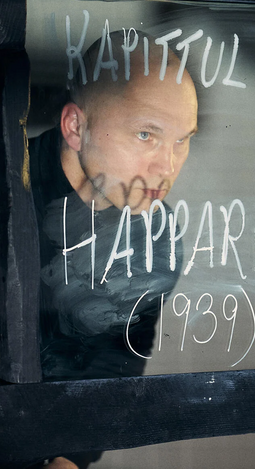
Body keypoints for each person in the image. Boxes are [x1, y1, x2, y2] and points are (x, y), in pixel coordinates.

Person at [25, 34, 197, 467]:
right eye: (146, 135)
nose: (168, 166)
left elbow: (118, 358)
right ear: (75, 128)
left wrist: (71, 457)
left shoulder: (158, 232)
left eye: (183, 140)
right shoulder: (11, 193)